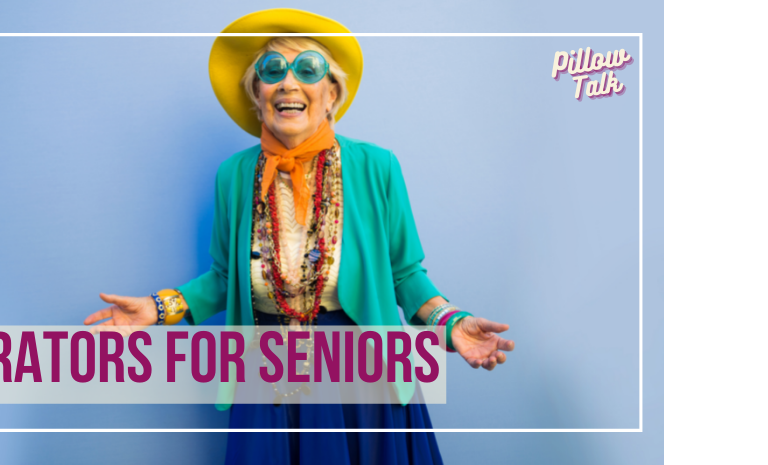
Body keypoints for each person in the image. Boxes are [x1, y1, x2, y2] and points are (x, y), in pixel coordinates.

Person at [83, 8, 515, 464]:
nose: (288, 83)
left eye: (308, 69)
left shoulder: (376, 167)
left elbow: (405, 275)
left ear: (332, 94)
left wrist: (450, 325)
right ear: (257, 96)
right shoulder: (234, 175)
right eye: (272, 71)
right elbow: (224, 277)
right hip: (265, 372)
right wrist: (156, 307)